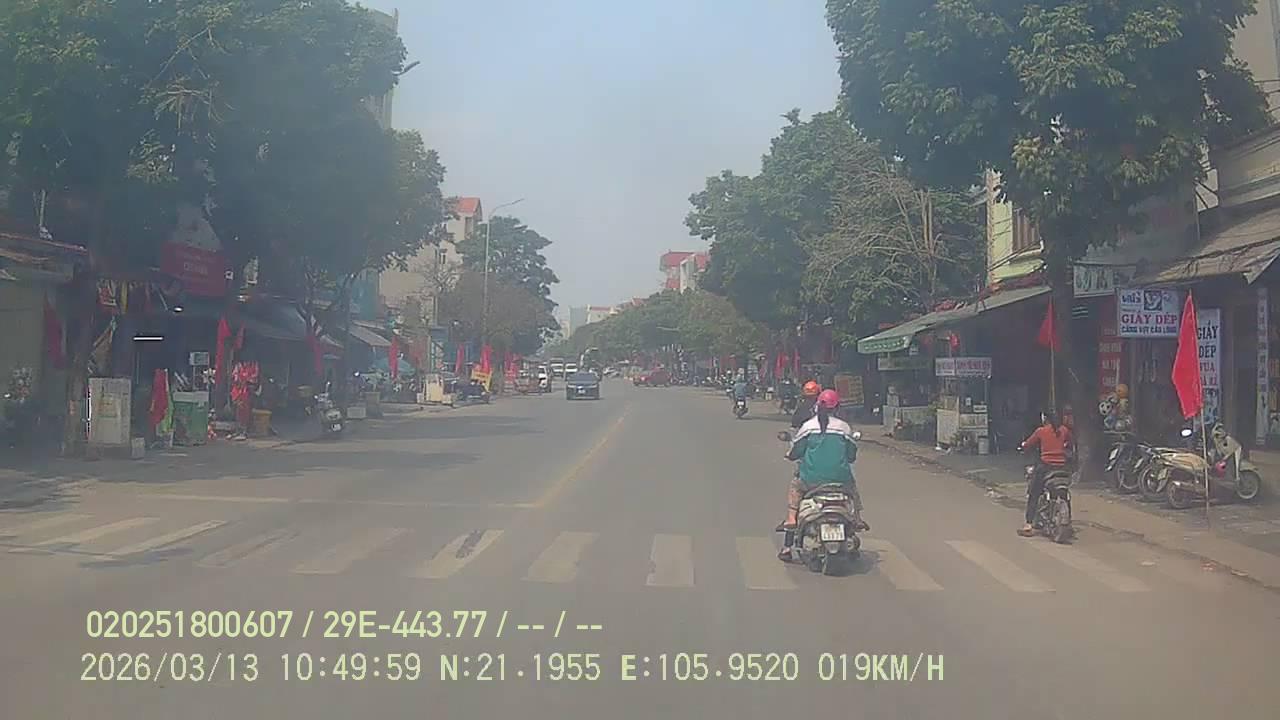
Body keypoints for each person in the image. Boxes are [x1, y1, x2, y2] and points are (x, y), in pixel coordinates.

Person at [778, 389, 869, 562]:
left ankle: (790, 521)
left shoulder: (808, 427)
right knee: (852, 489)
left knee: (795, 487)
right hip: (841, 480)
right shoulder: (844, 427)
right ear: (837, 407)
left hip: (811, 480)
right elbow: (851, 456)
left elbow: (796, 451)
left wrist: (790, 455)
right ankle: (857, 518)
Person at [1019, 410, 1072, 537]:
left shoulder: (1041, 431)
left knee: (1034, 493)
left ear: (1044, 419)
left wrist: (1023, 446)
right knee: (1064, 494)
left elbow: (1028, 444)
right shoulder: (1064, 430)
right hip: (1063, 467)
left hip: (1046, 467)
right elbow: (1070, 443)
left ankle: (1028, 524)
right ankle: (1069, 522)